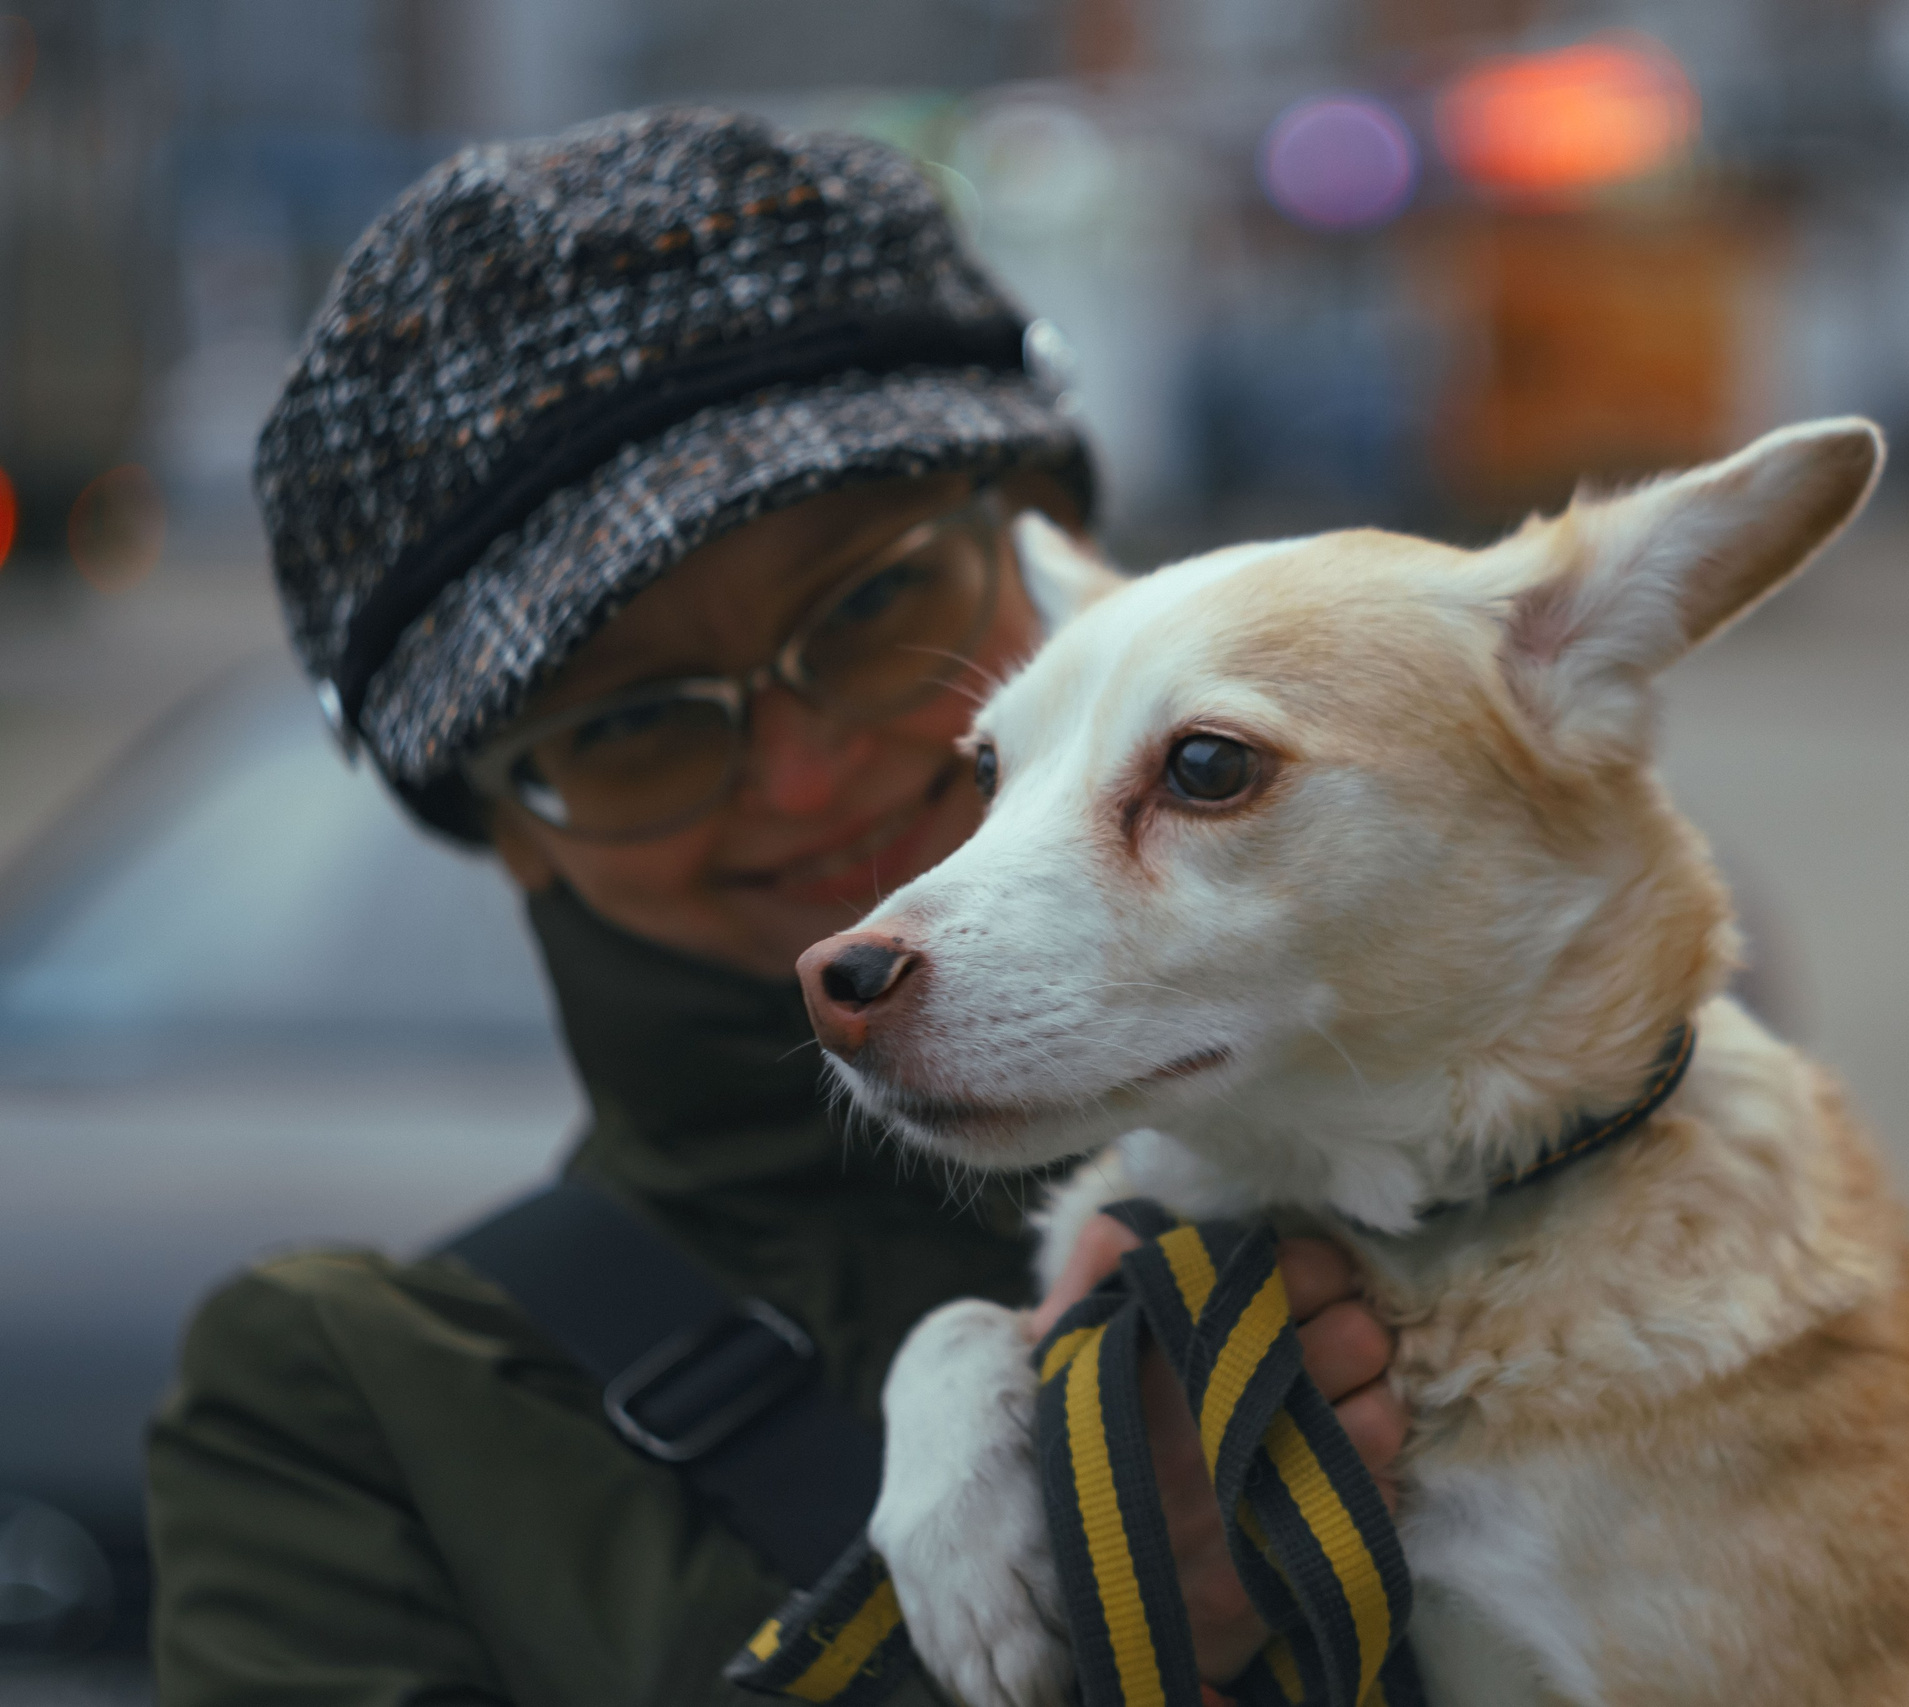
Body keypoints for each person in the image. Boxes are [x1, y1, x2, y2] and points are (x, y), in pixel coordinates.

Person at [146, 108, 1404, 1706]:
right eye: (629, 723)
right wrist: (1100, 1609)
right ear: (501, 829)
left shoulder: (1459, 1128)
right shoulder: (353, 1409)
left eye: (876, 599)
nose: (806, 779)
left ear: (1062, 545)